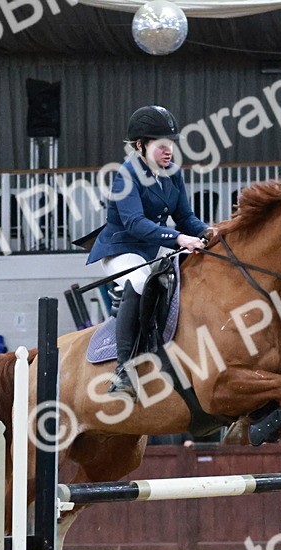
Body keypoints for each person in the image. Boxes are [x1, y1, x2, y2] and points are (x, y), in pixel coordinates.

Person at [87, 105, 219, 398]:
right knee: (139, 281)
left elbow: (185, 216)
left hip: (149, 251)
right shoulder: (126, 174)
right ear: (140, 146)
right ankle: (123, 371)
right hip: (120, 249)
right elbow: (134, 223)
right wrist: (180, 239)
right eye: (161, 146)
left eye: (170, 144)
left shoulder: (172, 174)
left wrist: (209, 232)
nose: (168, 151)